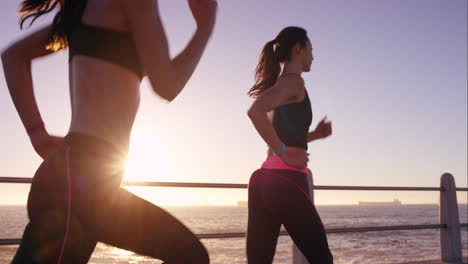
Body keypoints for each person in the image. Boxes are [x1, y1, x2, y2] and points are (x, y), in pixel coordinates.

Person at [1, 0, 217, 263]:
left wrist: (37, 133)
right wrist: (205, 28)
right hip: (77, 183)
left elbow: (14, 55)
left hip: (89, 182)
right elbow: (167, 85)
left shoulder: (87, 8)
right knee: (190, 256)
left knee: (189, 255)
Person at [246, 26, 334, 264]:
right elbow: (255, 112)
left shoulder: (283, 85)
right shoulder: (293, 83)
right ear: (299, 48)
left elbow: (284, 134)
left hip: (264, 182)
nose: (313, 56)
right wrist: (285, 154)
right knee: (322, 260)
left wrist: (314, 135)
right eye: (310, 50)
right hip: (286, 182)